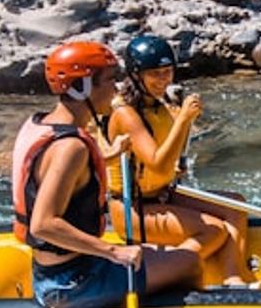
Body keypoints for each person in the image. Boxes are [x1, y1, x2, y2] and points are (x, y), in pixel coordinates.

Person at [11, 39, 201, 308]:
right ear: (82, 87)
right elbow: (42, 225)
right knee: (190, 263)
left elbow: (50, 171)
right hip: (73, 282)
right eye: (110, 81)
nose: (115, 90)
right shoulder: (71, 148)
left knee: (168, 257)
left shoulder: (38, 124)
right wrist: (113, 251)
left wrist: (106, 157)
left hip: (54, 272)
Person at [105, 35, 252, 286]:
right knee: (213, 229)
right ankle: (166, 272)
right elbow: (157, 163)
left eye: (168, 72)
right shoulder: (125, 114)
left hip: (161, 194)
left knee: (235, 206)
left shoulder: (158, 107)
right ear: (137, 75)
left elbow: (166, 162)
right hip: (133, 210)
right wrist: (183, 119)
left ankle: (233, 278)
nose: (164, 80)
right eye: (155, 74)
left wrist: (176, 164)